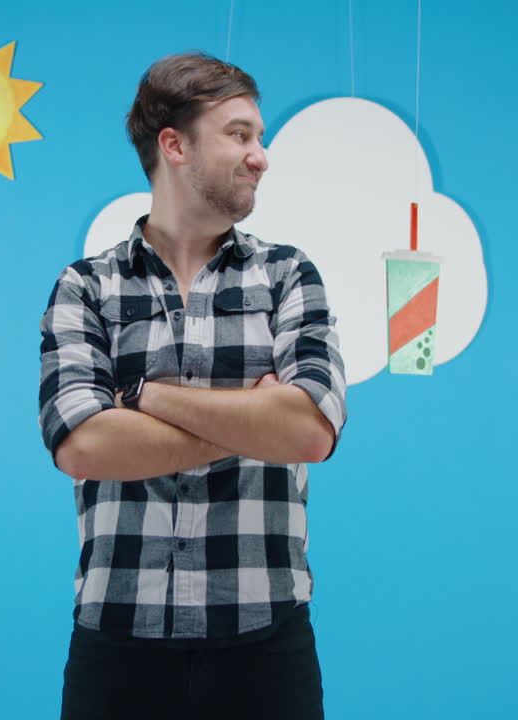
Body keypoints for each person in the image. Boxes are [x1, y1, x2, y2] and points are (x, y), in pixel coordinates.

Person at [38, 51, 347, 720]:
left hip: (267, 650)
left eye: (259, 137)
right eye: (240, 134)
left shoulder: (290, 277)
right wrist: (252, 421)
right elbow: (84, 446)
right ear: (174, 145)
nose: (261, 155)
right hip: (116, 651)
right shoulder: (86, 286)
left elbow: (309, 431)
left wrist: (146, 396)